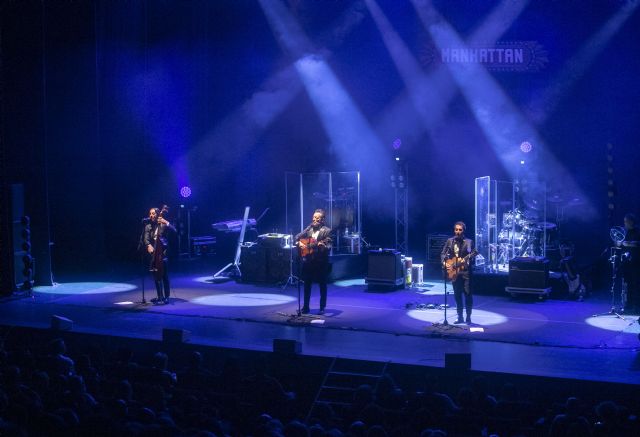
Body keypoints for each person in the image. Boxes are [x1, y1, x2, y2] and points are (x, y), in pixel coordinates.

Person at [295, 209, 332, 314]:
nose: (314, 219)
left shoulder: (327, 231)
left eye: (317, 218)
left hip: (321, 262)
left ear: (323, 219)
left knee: (322, 285)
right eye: (314, 217)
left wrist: (323, 246)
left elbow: (329, 246)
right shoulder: (309, 228)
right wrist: (299, 243)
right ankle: (305, 307)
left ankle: (322, 307)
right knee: (307, 284)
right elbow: (297, 237)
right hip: (308, 261)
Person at [441, 221, 475, 324]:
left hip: (465, 272)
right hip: (454, 272)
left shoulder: (469, 242)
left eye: (460, 230)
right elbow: (443, 254)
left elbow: (473, 253)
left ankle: (468, 316)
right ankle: (460, 316)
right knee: (457, 295)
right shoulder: (450, 241)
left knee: (468, 294)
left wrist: (467, 260)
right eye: (456, 229)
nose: (458, 232)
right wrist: (445, 263)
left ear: (463, 230)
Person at [143, 206, 176, 304]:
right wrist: (148, 245)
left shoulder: (163, 224)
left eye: (153, 213)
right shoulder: (148, 226)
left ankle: (166, 296)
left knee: (164, 276)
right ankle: (159, 296)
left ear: (158, 214)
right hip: (154, 254)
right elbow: (146, 238)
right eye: (150, 214)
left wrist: (166, 222)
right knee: (156, 276)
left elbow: (175, 231)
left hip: (163, 254)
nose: (151, 215)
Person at [621, 213, 640, 313]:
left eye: (626, 222)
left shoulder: (638, 231)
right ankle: (628, 304)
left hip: (637, 263)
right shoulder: (626, 232)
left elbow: (636, 243)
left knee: (636, 284)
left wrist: (629, 243)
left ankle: (637, 306)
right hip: (628, 263)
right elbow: (623, 244)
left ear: (631, 222)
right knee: (628, 284)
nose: (625, 224)